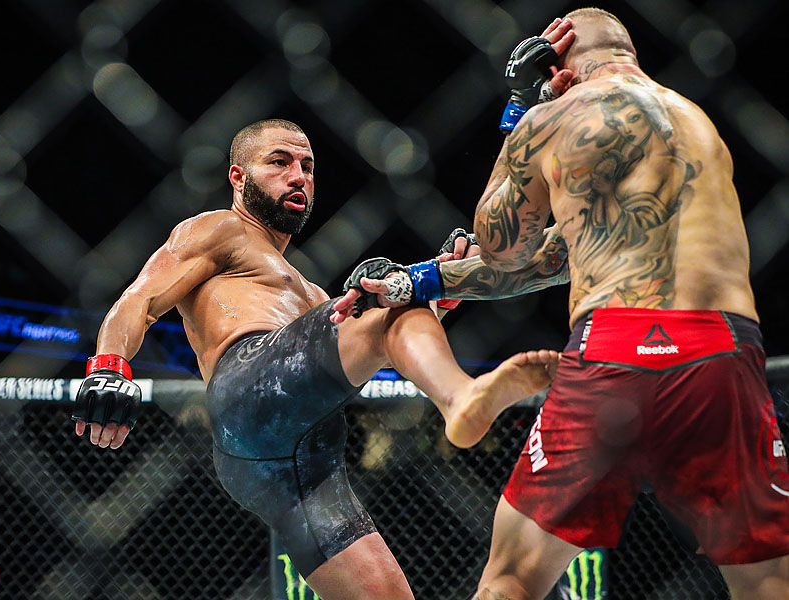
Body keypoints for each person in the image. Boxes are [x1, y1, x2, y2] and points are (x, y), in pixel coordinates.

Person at [333, 9, 789, 600]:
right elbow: (555, 259)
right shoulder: (695, 121)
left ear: (560, 69)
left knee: (512, 579)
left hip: (614, 351)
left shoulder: (556, 117)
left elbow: (502, 247)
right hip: (720, 353)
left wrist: (521, 111)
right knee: (767, 582)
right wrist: (414, 284)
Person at [69, 118, 563, 600]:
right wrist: (109, 366)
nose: (298, 176)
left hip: (304, 463)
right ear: (238, 177)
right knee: (386, 298)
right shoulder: (220, 230)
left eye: (307, 166)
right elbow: (140, 299)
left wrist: (437, 288)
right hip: (250, 386)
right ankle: (460, 396)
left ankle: (429, 322)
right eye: (279, 162)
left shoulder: (311, 293)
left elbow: (375, 349)